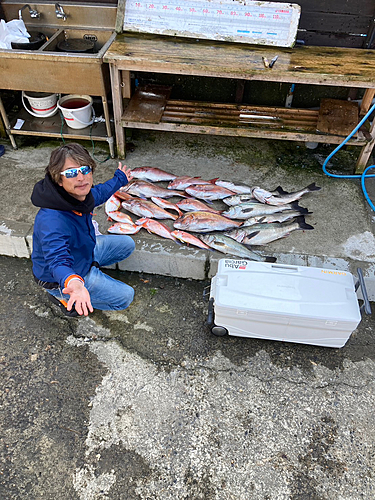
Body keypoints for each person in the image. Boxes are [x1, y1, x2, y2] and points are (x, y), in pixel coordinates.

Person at [31, 143, 135, 317]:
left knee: (127, 244)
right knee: (125, 297)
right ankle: (64, 297)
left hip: (82, 253)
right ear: (58, 179)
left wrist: (120, 179)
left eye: (85, 170)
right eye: (71, 173)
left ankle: (91, 268)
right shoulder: (51, 220)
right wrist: (74, 282)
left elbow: (100, 193)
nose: (81, 178)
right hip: (62, 275)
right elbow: (57, 260)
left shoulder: (80, 195)